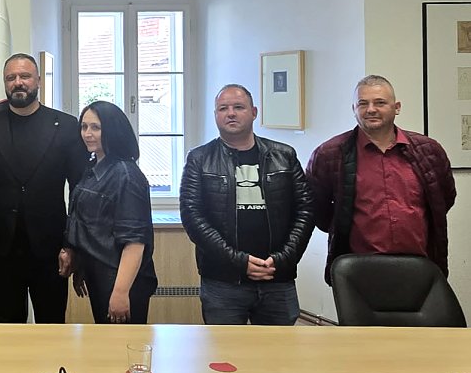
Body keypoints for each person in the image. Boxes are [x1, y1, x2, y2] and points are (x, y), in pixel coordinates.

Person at [0, 53, 87, 323]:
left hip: (51, 250)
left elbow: (80, 192)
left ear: (38, 80)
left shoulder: (66, 126)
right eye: (11, 77)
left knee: (52, 326)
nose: (18, 82)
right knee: (6, 332)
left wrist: (71, 245)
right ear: (4, 83)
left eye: (25, 76)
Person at [180, 84, 314, 325]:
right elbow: (192, 216)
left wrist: (283, 258)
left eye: (238, 107)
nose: (230, 113)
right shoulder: (199, 159)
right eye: (223, 108)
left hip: (277, 277)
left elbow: (305, 210)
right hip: (223, 281)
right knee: (225, 348)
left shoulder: (284, 155)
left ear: (254, 112)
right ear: (215, 115)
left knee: (279, 349)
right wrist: (238, 262)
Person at [307, 74, 456, 283]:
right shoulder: (329, 154)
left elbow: (443, 199)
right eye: (363, 103)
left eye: (380, 102)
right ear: (353, 109)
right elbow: (316, 209)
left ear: (397, 107)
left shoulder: (429, 151)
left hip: (422, 266)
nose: (371, 109)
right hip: (358, 270)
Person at [60, 102, 157, 324]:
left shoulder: (126, 175)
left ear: (113, 130)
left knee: (122, 343)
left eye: (96, 127)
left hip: (121, 280)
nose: (87, 134)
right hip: (100, 275)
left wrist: (121, 293)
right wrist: (80, 263)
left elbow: (135, 242)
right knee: (106, 341)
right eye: (84, 127)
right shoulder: (94, 167)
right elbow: (89, 223)